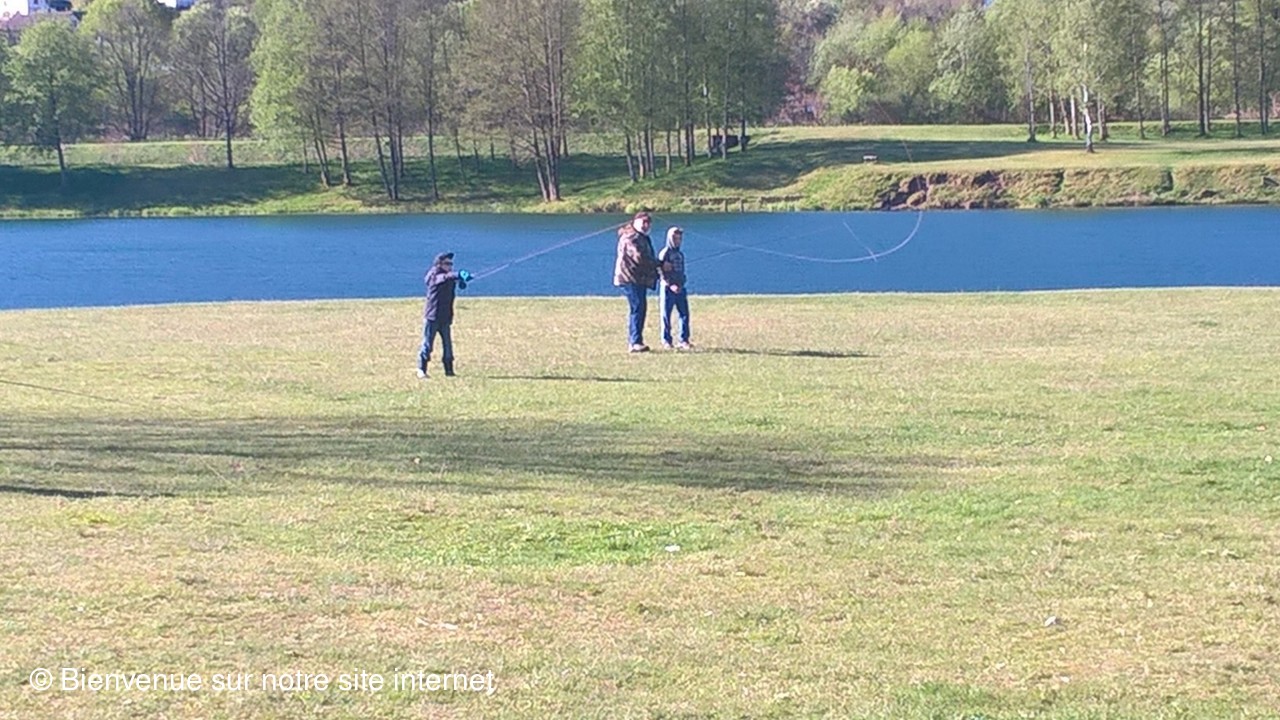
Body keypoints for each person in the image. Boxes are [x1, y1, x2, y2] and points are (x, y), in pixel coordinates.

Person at [417, 252, 472, 379]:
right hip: (432, 317)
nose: (450, 266)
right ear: (439, 264)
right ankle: (421, 369)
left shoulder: (448, 277)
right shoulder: (434, 275)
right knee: (427, 345)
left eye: (451, 264)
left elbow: (450, 279)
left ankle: (449, 371)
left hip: (446, 317)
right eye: (447, 264)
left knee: (448, 346)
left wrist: (461, 280)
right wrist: (457, 275)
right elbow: (442, 278)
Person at [613, 211, 661, 353]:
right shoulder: (631, 237)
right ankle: (635, 342)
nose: (646, 225)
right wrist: (659, 264)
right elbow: (639, 257)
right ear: (635, 222)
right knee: (638, 307)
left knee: (640, 308)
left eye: (648, 223)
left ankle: (637, 341)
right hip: (629, 278)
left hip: (638, 279)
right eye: (643, 222)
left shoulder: (642, 237)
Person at [657, 226, 692, 350]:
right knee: (666, 315)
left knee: (684, 314)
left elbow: (681, 270)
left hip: (681, 287)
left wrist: (681, 283)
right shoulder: (665, 253)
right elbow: (661, 272)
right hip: (667, 288)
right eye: (675, 238)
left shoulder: (680, 254)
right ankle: (666, 341)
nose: (678, 241)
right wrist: (670, 284)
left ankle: (684, 340)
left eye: (679, 239)